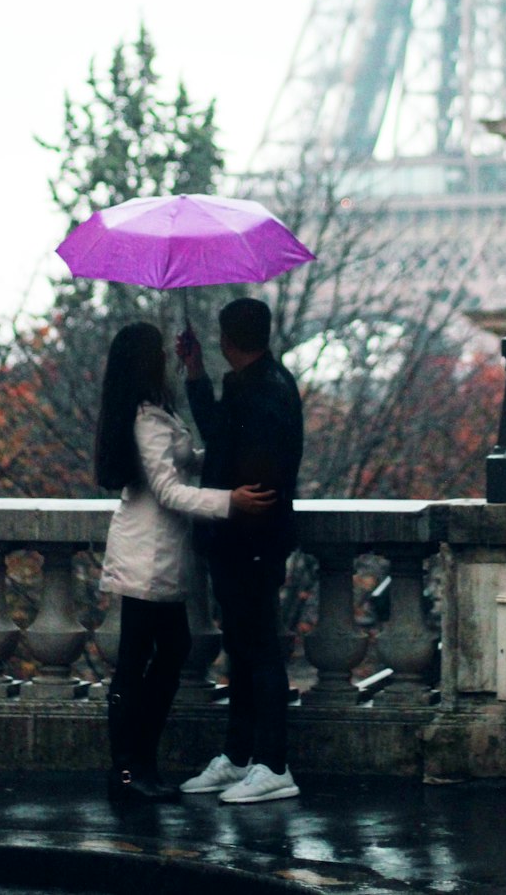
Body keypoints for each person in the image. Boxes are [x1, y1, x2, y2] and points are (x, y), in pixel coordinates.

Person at [96, 321, 274, 804]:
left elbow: (183, 462)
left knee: (160, 656)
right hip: (147, 556)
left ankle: (137, 767)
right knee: (141, 663)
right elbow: (169, 491)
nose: (164, 357)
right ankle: (130, 772)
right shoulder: (146, 417)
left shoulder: (154, 410)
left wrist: (217, 438)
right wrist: (229, 500)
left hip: (159, 556)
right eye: (159, 351)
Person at [175, 296, 304, 805]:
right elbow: (227, 439)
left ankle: (270, 763)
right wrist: (196, 373)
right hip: (253, 537)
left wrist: (232, 501)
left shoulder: (255, 390)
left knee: (258, 651)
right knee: (248, 649)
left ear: (228, 339)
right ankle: (242, 755)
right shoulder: (269, 384)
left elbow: (228, 453)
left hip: (247, 536)